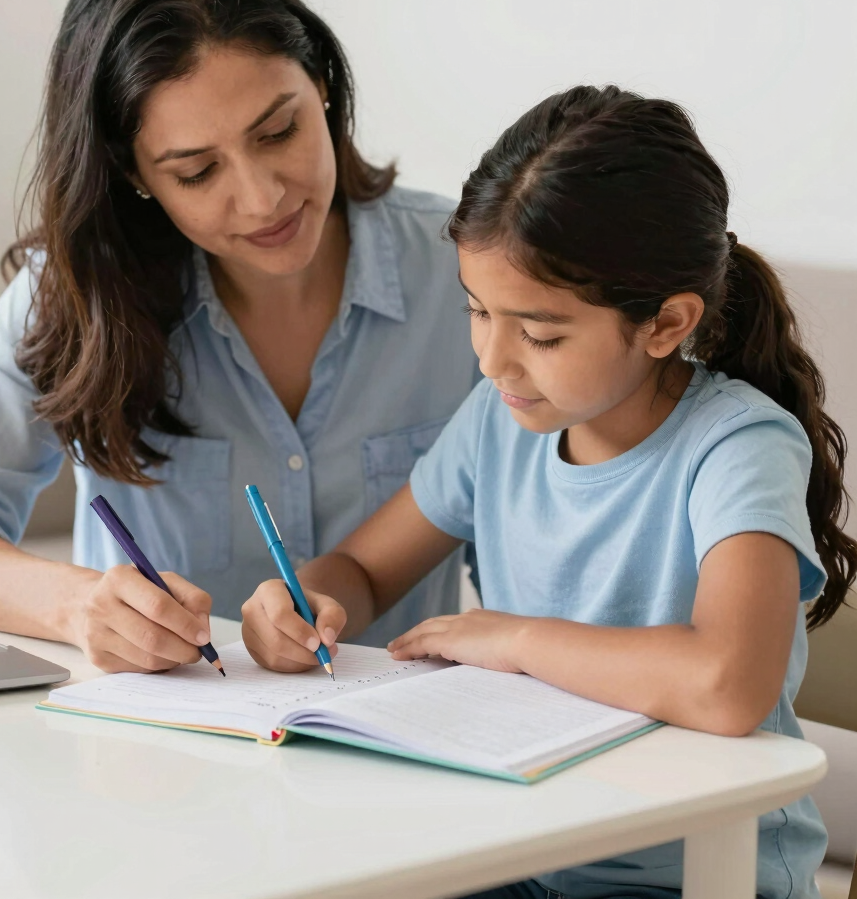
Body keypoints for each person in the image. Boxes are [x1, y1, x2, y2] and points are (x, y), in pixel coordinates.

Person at [241, 85, 857, 899]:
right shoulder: (498, 422)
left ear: (666, 324)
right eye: (477, 312)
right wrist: (302, 601)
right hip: (524, 853)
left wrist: (515, 641)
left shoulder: (738, 445)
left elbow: (727, 684)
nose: (493, 359)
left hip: (694, 876)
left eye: (539, 333)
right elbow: (362, 569)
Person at [0, 0, 477, 672]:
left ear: (321, 83)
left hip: (408, 729)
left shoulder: (467, 272)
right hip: (157, 739)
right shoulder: (79, 293)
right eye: (196, 172)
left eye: (279, 131)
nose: (262, 198)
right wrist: (77, 606)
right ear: (135, 175)